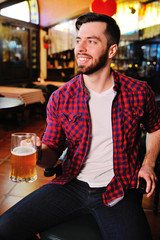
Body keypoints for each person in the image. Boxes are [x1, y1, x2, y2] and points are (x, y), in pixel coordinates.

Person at [0, 12, 160, 240]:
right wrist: (37, 154)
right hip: (71, 185)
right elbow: (51, 155)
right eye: (78, 40)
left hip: (119, 188)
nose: (80, 48)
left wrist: (148, 164)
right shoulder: (61, 97)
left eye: (91, 41)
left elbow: (155, 127)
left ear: (112, 50)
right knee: (5, 228)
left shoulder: (138, 91)